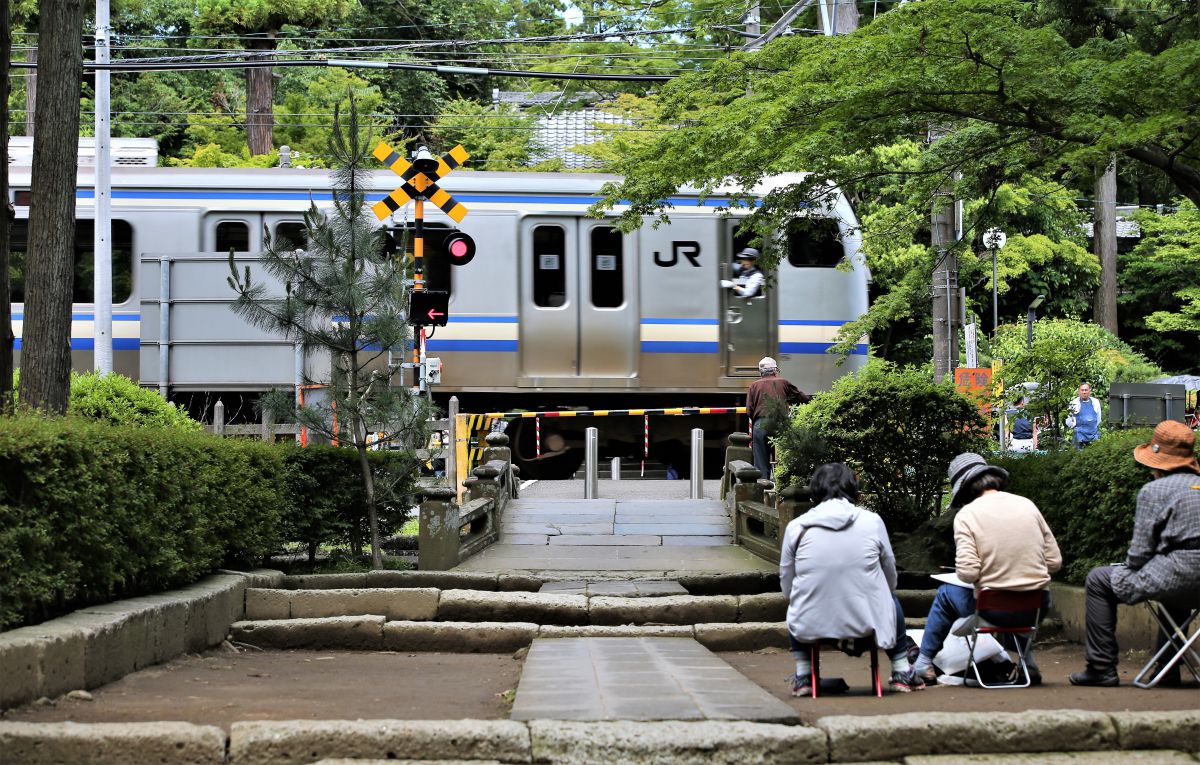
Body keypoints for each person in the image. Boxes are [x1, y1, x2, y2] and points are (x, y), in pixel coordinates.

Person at [911, 453, 1062, 685]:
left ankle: (923, 663)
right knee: (1016, 606)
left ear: (964, 491)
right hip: (1037, 605)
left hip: (993, 608)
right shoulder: (1027, 505)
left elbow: (968, 573)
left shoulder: (967, 516)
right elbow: (1054, 562)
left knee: (945, 594)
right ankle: (1028, 664)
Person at [1069, 420, 1200, 687]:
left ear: (1157, 462)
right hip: (1188, 581)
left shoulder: (1153, 491)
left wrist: (1129, 566)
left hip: (1176, 573)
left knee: (1098, 579)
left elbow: (1139, 555)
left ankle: (1101, 667)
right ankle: (1167, 670)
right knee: (1176, 592)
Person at [780, 462, 925, 694]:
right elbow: (889, 571)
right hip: (868, 619)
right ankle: (901, 670)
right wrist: (884, 593)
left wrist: (797, 596)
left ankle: (804, 674)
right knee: (890, 598)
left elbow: (787, 579)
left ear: (815, 492)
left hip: (812, 619)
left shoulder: (797, 527)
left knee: (796, 600)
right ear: (852, 489)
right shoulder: (872, 521)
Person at [746, 356, 808, 478]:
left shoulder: (753, 386)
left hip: (760, 424)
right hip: (780, 424)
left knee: (760, 460)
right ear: (775, 371)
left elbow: (749, 410)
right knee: (784, 457)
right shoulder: (783, 382)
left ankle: (763, 489)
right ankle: (783, 484)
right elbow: (802, 398)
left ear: (761, 372)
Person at [1067, 383, 1102, 449]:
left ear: (1089, 391)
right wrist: (1076, 428)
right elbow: (1069, 420)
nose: (1084, 392)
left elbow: (1098, 418)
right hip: (1079, 436)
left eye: (1086, 390)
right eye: (1082, 390)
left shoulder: (1095, 402)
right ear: (1079, 391)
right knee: (1078, 456)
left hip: (1093, 436)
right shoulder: (1074, 403)